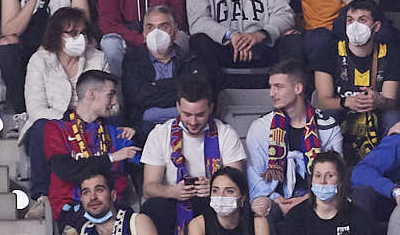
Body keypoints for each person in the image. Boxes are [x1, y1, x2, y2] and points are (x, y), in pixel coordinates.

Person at [0, 0, 89, 133]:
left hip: (62, 47)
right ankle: (22, 114)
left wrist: (48, 45)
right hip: (26, 46)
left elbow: (83, 25)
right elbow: (9, 30)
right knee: (6, 44)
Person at [20, 6, 108, 218]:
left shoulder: (98, 59)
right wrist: (69, 121)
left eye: (82, 33)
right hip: (53, 122)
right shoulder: (39, 60)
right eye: (72, 33)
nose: (79, 38)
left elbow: (110, 101)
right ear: (56, 35)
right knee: (42, 128)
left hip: (90, 121)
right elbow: (35, 109)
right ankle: (41, 197)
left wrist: (85, 119)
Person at [141, 82, 248, 235]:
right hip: (172, 200)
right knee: (153, 207)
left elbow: (237, 181)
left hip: (211, 200)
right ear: (178, 107)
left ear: (210, 108)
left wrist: (213, 186)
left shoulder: (225, 133)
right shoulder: (160, 134)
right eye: (187, 114)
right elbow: (148, 188)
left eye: (200, 115)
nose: (193, 122)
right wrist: (173, 191)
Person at [246, 60, 343, 221]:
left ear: (298, 88)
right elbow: (255, 176)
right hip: (276, 197)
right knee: (260, 208)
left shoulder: (328, 127)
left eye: (278, 86)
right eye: (271, 87)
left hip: (316, 196)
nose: (271, 93)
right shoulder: (260, 128)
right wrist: (277, 199)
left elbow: (338, 174)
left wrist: (307, 199)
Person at [43, 70, 138, 228]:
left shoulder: (115, 131)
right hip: (73, 205)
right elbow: (65, 170)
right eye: (111, 94)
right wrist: (111, 158)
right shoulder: (56, 129)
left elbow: (143, 160)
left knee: (137, 224)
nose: (114, 101)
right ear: (92, 94)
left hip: (113, 205)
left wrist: (136, 132)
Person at [313, 0, 400, 163]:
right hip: (342, 117)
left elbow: (392, 101)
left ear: (376, 26)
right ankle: (331, 168)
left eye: (362, 20)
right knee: (328, 115)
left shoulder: (389, 53)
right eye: (350, 20)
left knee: (393, 117)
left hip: (376, 123)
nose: (355, 26)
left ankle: (388, 169)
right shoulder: (329, 49)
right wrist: (346, 102)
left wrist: (379, 100)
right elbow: (323, 101)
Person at [123, 5, 208, 141]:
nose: (156, 33)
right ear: (144, 34)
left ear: (174, 33)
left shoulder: (189, 58)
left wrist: (154, 86)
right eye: (150, 27)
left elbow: (196, 94)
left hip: (187, 125)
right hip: (146, 128)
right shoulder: (133, 59)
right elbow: (137, 97)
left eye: (163, 27)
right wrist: (178, 86)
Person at [282, 151, 355, 234]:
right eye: (318, 175)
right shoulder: (295, 216)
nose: (322, 181)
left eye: (330, 176)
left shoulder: (358, 217)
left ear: (340, 180)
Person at [188, 167, 268, 235]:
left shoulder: (258, 223)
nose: (221, 196)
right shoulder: (198, 225)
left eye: (229, 191)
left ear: (242, 197)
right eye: (215, 191)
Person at [77, 170, 156, 235]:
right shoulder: (85, 230)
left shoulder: (137, 222)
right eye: (86, 192)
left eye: (99, 190)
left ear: (113, 195)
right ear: (82, 199)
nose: (93, 197)